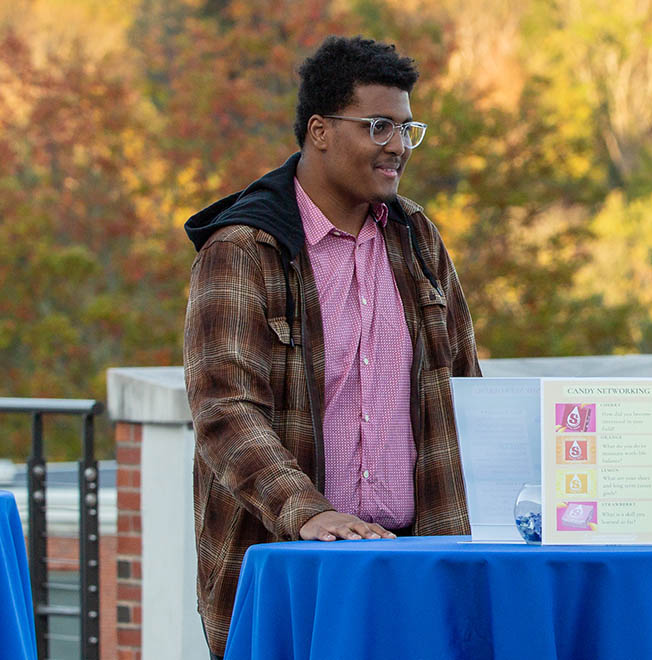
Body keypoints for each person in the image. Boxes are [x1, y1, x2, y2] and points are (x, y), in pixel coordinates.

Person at [182, 36, 480, 658]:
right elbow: (224, 410)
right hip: (294, 567)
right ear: (319, 130)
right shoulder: (244, 249)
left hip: (420, 564)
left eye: (406, 128)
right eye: (378, 126)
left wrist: (599, 474)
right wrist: (307, 512)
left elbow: (470, 392)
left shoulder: (417, 237)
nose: (397, 146)